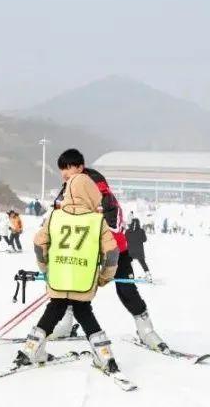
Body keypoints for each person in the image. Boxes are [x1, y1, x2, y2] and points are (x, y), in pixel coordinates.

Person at [54, 149, 167, 351]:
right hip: (83, 250)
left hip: (114, 248)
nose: (64, 172)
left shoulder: (98, 188)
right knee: (71, 285)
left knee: (126, 288)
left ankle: (146, 330)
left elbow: (112, 221)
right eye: (61, 168)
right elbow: (58, 214)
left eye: (68, 167)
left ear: (80, 167)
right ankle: (65, 324)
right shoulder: (67, 188)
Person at [14, 172, 121, 374]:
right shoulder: (97, 221)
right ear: (91, 194)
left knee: (54, 309)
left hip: (58, 277)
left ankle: (30, 351)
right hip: (84, 279)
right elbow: (112, 253)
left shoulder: (55, 216)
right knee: (83, 311)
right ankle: (105, 357)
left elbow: (39, 244)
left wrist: (45, 268)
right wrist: (105, 277)